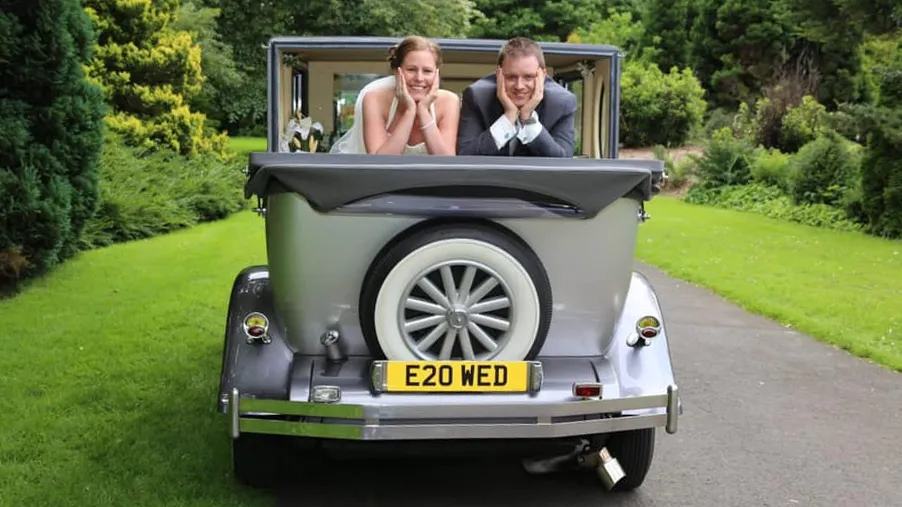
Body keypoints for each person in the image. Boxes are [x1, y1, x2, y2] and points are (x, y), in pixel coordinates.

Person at [330, 36, 460, 156]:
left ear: (436, 74)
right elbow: (381, 162)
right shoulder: (374, 99)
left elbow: (447, 161)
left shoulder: (449, 102)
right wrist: (410, 111)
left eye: (427, 71)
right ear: (398, 72)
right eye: (411, 70)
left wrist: (423, 111)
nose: (419, 78)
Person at [456, 37, 577, 157]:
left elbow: (563, 160)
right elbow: (466, 155)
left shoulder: (562, 103)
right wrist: (508, 117)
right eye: (511, 77)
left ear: (542, 75)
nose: (519, 86)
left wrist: (528, 119)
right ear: (499, 74)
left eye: (528, 77)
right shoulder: (477, 97)